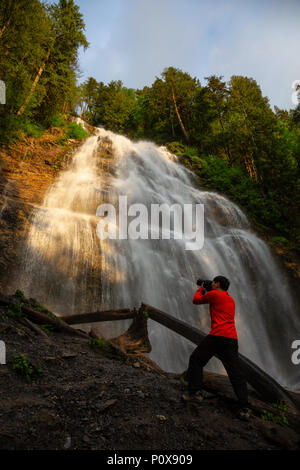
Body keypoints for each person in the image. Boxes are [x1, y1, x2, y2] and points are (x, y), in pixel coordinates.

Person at [183, 275, 251, 420]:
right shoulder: (230, 299)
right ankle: (244, 406)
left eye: (213, 282)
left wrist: (201, 288)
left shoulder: (214, 294)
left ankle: (195, 393)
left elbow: (196, 300)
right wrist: (208, 288)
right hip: (232, 338)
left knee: (196, 360)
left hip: (217, 336)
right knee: (235, 372)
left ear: (217, 284)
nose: (211, 283)